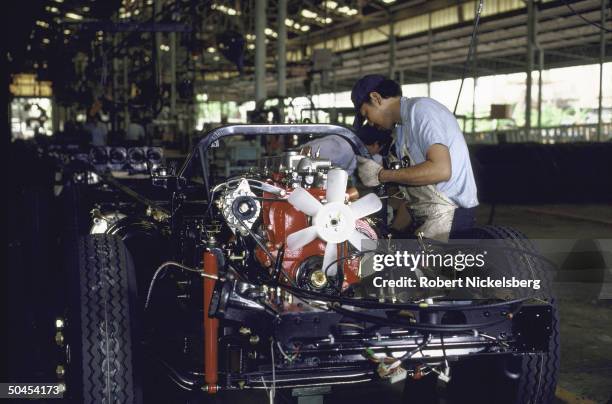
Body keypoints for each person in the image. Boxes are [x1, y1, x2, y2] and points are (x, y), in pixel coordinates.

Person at [352, 74, 478, 241]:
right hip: (426, 215)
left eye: (366, 115)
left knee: (415, 266)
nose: (370, 123)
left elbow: (441, 170)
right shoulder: (401, 129)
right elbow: (415, 194)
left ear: (376, 98)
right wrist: (392, 231)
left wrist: (381, 175)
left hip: (449, 215)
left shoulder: (421, 110)